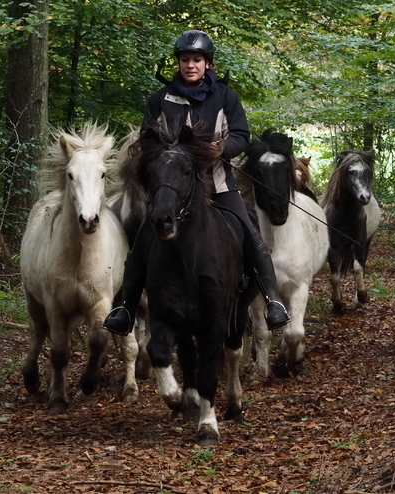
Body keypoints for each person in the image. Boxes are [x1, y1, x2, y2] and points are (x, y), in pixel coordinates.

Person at [103, 29, 291, 336]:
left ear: (208, 64)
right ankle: (125, 307)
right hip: (172, 189)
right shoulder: (160, 99)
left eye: (197, 60)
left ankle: (272, 300)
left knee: (250, 233)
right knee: (141, 241)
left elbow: (242, 136)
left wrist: (222, 149)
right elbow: (147, 140)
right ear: (178, 63)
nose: (191, 65)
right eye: (185, 59)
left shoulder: (225, 97)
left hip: (216, 182)